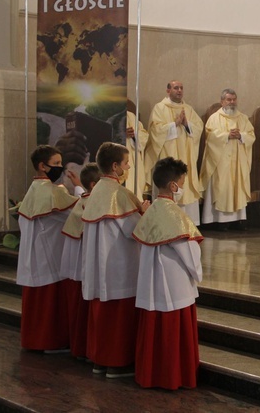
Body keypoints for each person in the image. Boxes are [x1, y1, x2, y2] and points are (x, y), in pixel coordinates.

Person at [133, 157, 203, 390]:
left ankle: (150, 375)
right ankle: (173, 377)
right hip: (174, 283)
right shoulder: (174, 214)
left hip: (152, 281)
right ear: (173, 186)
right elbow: (188, 250)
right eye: (182, 182)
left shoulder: (153, 210)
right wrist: (197, 272)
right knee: (173, 332)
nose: (182, 187)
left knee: (154, 329)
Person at [82, 142, 149, 377]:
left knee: (102, 314)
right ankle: (117, 364)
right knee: (118, 316)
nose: (128, 166)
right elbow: (135, 231)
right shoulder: (119, 194)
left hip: (99, 268)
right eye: (125, 163)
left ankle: (100, 361)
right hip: (119, 266)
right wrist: (146, 213)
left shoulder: (97, 191)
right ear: (115, 166)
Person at [16, 145, 78, 351]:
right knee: (51, 303)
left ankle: (33, 341)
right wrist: (81, 189)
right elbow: (79, 213)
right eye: (57, 163)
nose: (60, 168)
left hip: (33, 258)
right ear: (42, 166)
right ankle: (51, 341)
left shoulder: (32, 192)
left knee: (37, 303)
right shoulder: (52, 193)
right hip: (51, 256)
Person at [146, 81, 203, 224]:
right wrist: (174, 124)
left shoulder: (188, 109)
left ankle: (188, 223)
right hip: (168, 155)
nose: (179, 91)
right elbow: (155, 131)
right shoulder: (159, 108)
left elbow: (199, 128)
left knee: (186, 187)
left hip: (185, 156)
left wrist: (186, 124)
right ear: (168, 90)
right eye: (176, 88)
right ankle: (164, 221)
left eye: (181, 88)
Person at [59, 162, 101, 360]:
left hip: (78, 270)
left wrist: (78, 185)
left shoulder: (83, 200)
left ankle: (80, 348)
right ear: (94, 185)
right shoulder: (94, 205)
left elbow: (80, 194)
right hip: (87, 270)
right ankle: (85, 349)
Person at [201, 89, 256, 229]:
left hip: (238, 161)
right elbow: (209, 135)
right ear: (222, 101)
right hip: (220, 161)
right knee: (221, 187)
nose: (232, 102)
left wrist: (241, 136)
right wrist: (226, 135)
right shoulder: (214, 118)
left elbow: (251, 135)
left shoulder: (243, 118)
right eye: (228, 99)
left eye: (234, 99)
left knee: (237, 186)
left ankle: (237, 220)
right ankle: (219, 221)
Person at [125, 100, 149, 201]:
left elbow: (144, 136)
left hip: (131, 162)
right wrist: (120, 134)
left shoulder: (131, 116)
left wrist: (133, 135)